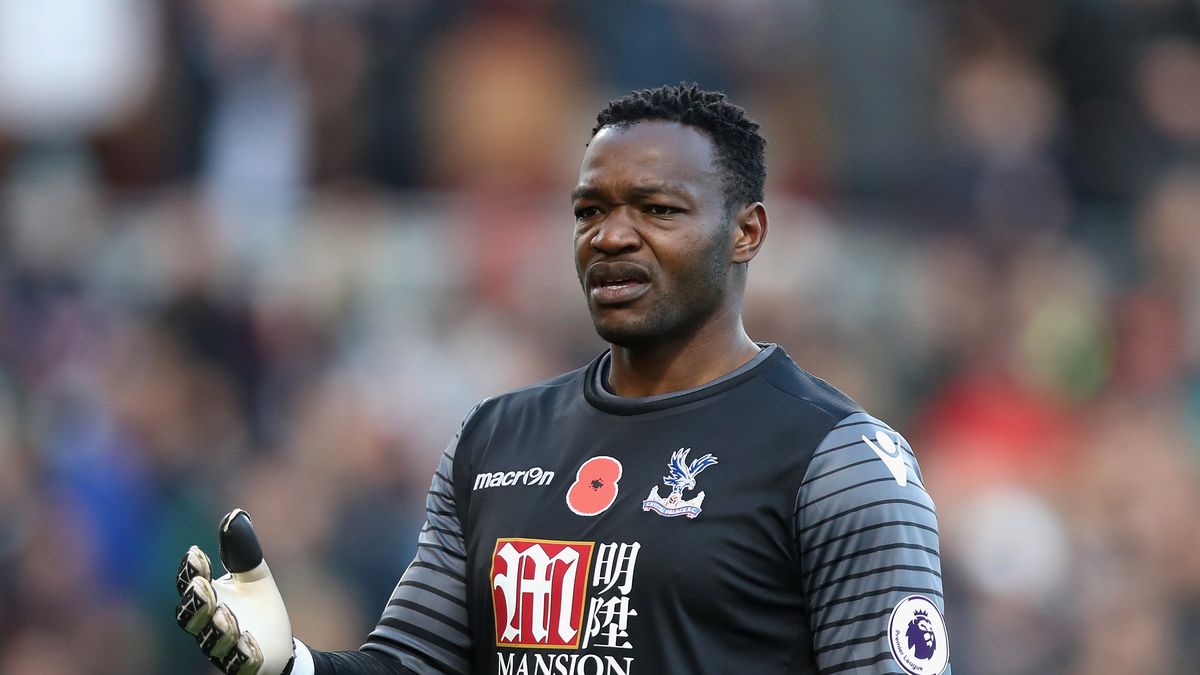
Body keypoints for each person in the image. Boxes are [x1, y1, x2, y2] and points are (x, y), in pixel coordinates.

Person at [176, 83, 950, 675]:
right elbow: (412, 664)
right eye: (589, 211)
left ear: (746, 232)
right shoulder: (493, 439)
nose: (611, 236)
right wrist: (292, 667)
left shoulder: (839, 461)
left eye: (657, 209)